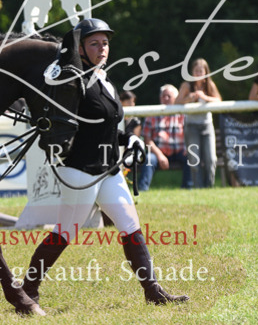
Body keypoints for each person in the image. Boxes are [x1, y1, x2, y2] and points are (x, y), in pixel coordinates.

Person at [19, 18, 189, 306]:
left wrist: (129, 140)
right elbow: (66, 126)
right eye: (94, 43)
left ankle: (153, 291)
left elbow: (108, 125)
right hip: (81, 171)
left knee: (130, 225)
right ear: (81, 49)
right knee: (66, 232)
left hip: (109, 171)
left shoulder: (105, 79)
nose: (102, 48)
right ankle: (28, 288)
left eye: (105, 43)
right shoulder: (74, 82)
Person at [177, 58, 221, 188]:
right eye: (196, 71)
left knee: (211, 159)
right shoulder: (187, 86)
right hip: (191, 126)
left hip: (207, 126)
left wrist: (205, 97)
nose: (198, 74)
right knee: (194, 161)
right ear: (192, 72)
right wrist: (189, 98)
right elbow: (176, 102)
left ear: (206, 73)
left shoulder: (209, 85)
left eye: (201, 71)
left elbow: (219, 100)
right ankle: (198, 188)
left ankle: (209, 187)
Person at [137, 85, 185, 192]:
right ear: (160, 98)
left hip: (179, 152)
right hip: (158, 152)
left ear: (175, 98)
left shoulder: (182, 114)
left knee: (191, 158)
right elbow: (147, 139)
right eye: (164, 96)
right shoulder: (152, 114)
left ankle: (188, 188)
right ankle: (142, 190)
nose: (166, 98)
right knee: (149, 159)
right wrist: (160, 155)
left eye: (169, 96)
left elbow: (189, 134)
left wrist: (187, 148)